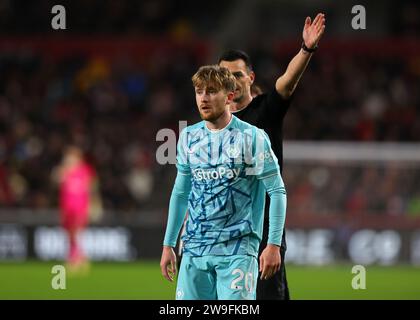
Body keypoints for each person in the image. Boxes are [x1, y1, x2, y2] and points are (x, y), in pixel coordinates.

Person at [217, 13, 326, 300]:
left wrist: (306, 49)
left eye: (238, 75)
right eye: (225, 76)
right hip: (224, 236)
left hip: (264, 235)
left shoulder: (266, 109)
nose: (231, 81)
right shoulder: (212, 123)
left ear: (250, 78)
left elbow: (287, 81)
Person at [160, 65, 287, 300]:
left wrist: (274, 245)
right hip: (194, 248)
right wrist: (168, 244)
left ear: (229, 96)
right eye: (199, 91)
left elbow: (277, 191)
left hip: (237, 249)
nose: (203, 98)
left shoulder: (252, 138)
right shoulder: (189, 137)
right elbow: (180, 193)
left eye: (211, 91)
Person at [54, 146, 98, 272]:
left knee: (76, 232)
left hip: (80, 207)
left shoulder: (85, 170)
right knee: (69, 233)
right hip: (66, 208)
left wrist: (93, 204)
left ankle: (74, 258)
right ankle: (81, 258)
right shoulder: (64, 170)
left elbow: (91, 189)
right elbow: (56, 180)